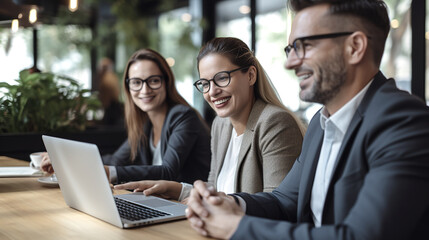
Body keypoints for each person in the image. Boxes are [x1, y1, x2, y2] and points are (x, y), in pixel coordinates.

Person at [185, 1, 429, 239]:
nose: (290, 62)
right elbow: (285, 201)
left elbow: (362, 234)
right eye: (290, 49)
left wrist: (235, 228)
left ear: (354, 47)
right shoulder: (320, 124)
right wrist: (229, 202)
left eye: (305, 46)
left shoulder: (404, 121)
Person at [114, 37, 305, 202]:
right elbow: (215, 187)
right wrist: (178, 190)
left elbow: (277, 204)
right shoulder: (221, 125)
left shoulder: (274, 122)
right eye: (205, 83)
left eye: (222, 78)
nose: (212, 91)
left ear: (251, 75)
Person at [42, 49, 211, 185]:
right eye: (136, 82)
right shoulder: (146, 125)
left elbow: (167, 172)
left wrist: (108, 172)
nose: (145, 90)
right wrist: (67, 158)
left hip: (190, 208)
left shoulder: (182, 116)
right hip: (163, 204)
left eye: (153, 81)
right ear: (128, 87)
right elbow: (115, 159)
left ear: (166, 82)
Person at [96, 57, 124, 126]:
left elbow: (106, 100)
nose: (100, 69)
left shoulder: (107, 79)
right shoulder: (113, 77)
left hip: (111, 109)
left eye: (102, 67)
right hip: (114, 108)